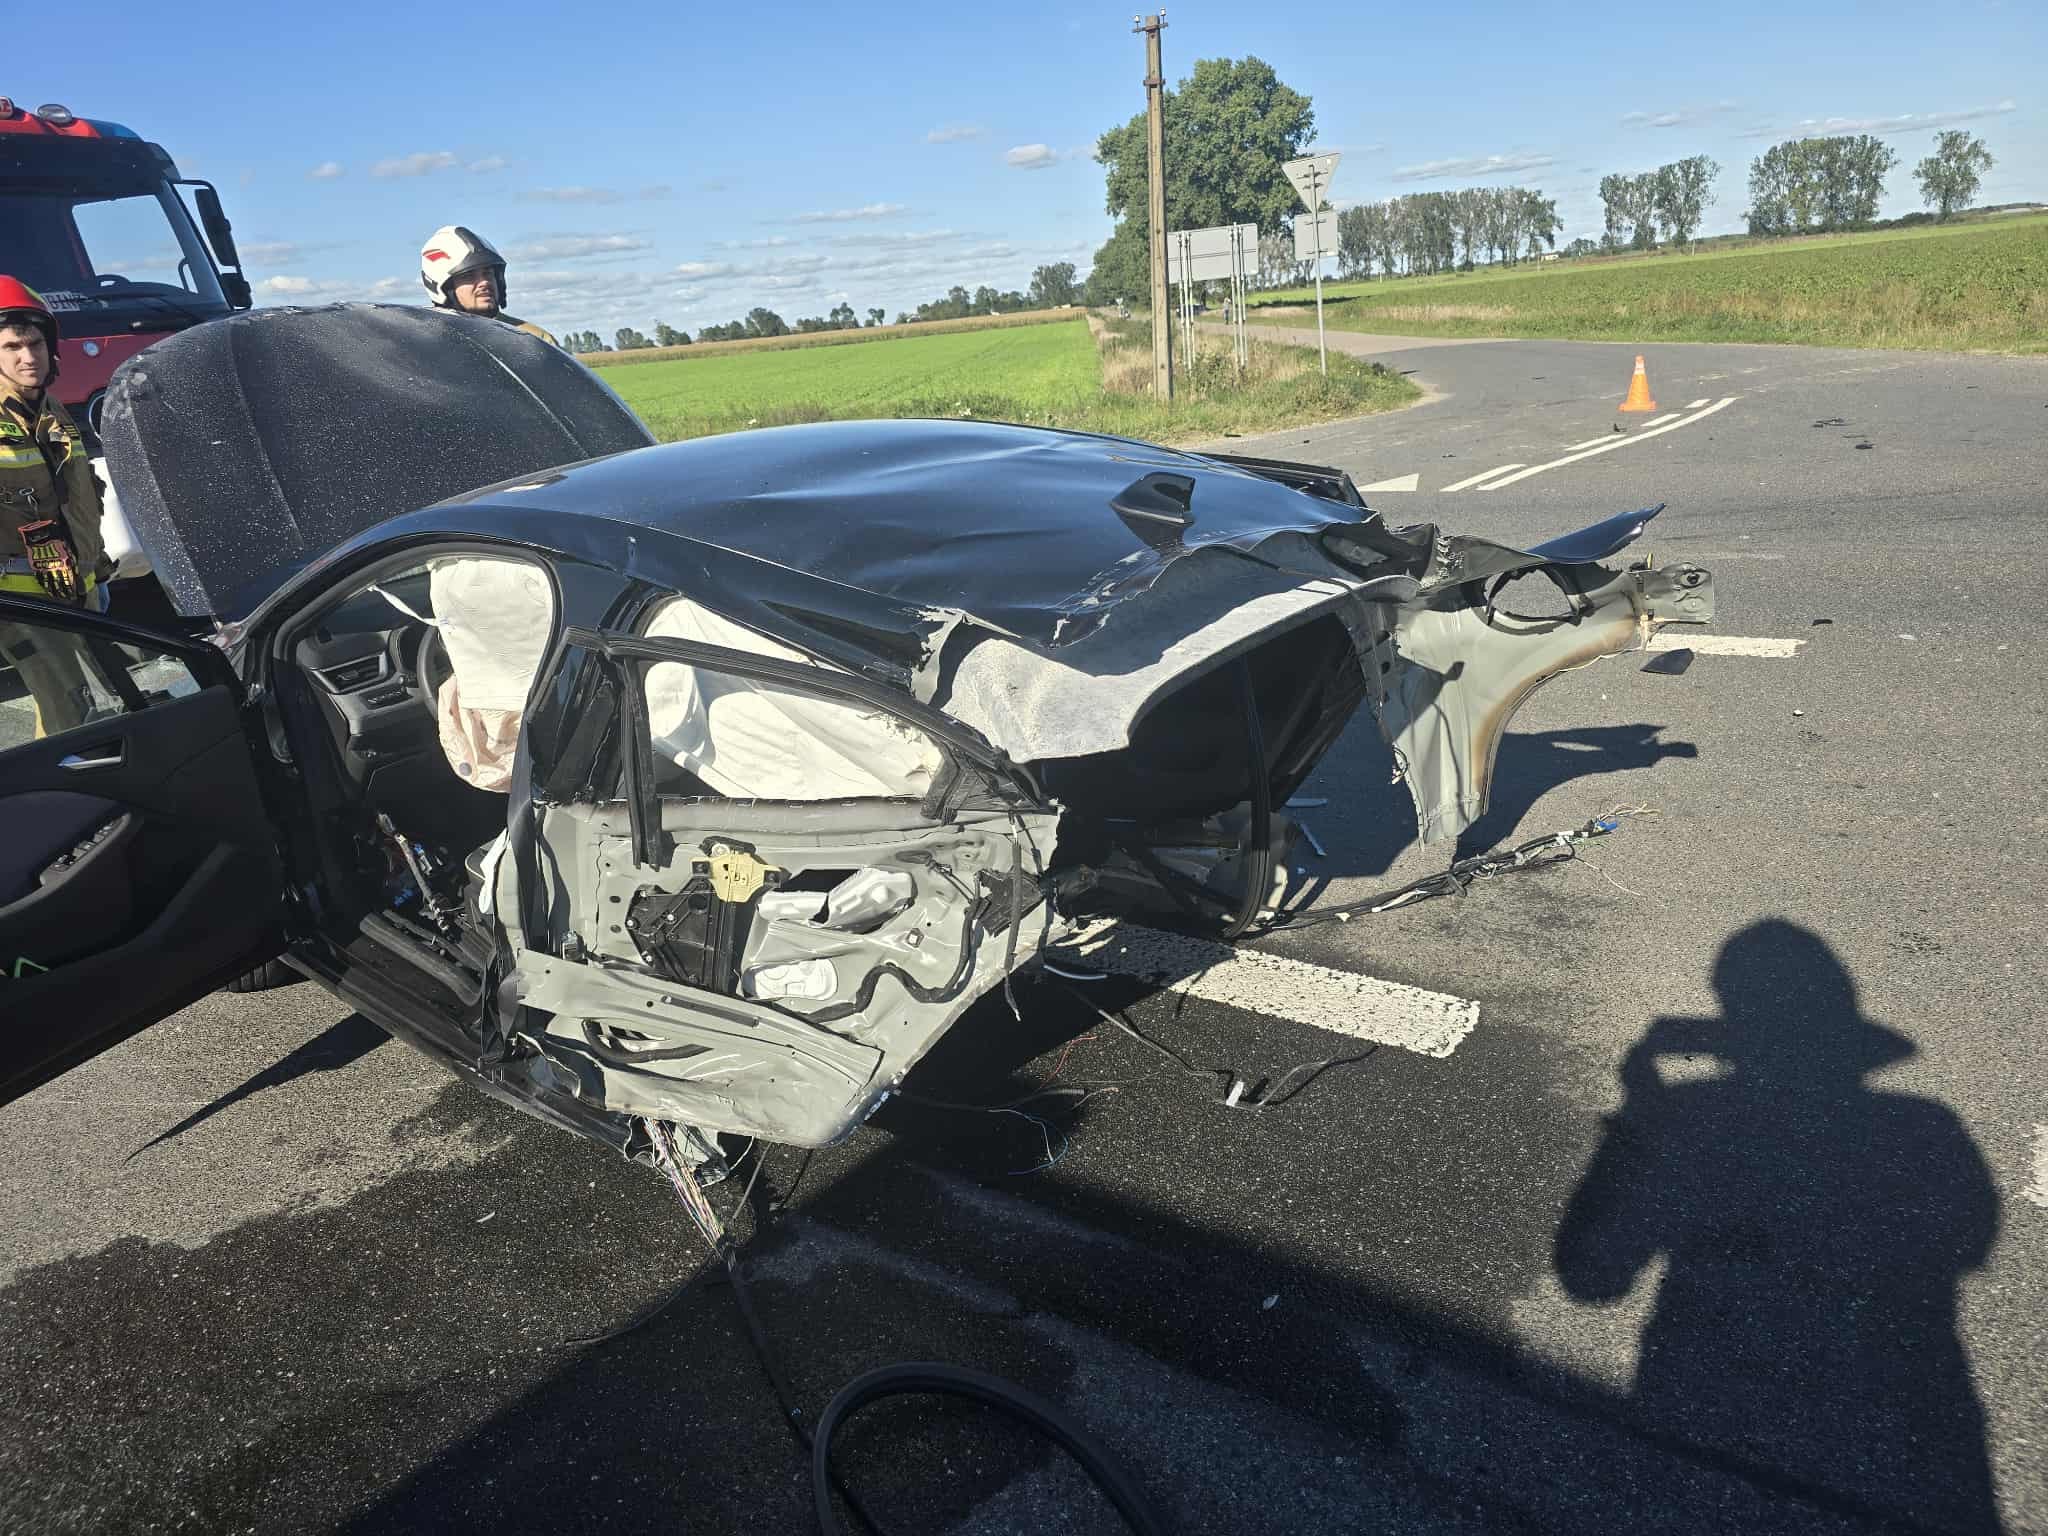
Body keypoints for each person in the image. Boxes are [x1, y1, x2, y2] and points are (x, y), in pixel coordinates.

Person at [0, 277, 106, 736]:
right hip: (21, 603)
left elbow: (79, 495)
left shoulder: (53, 410)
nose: (28, 357)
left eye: (35, 344)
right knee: (72, 712)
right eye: (12, 347)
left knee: (99, 703)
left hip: (75, 586)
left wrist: (96, 566)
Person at [418, 226, 557, 344]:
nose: (484, 282)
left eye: (488, 273)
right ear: (445, 287)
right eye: (469, 275)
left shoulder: (535, 341)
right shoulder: (425, 343)